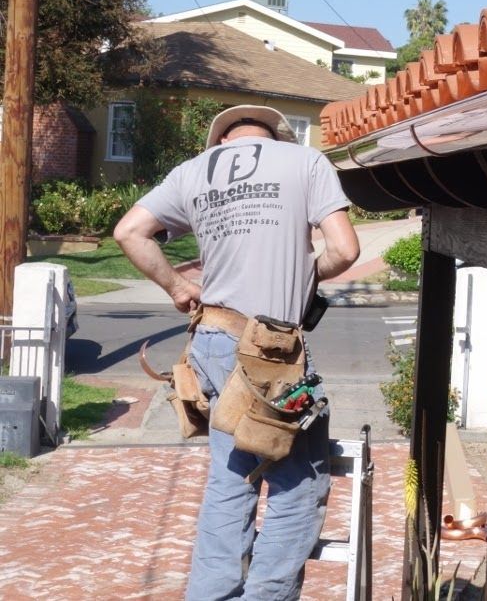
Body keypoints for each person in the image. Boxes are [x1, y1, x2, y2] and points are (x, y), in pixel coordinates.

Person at [115, 104, 360, 601]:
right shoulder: (305, 162)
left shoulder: (191, 173)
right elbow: (346, 250)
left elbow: (128, 232)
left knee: (233, 481)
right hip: (268, 351)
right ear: (273, 135)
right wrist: (308, 273)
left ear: (222, 139)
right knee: (300, 485)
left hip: (212, 339)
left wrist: (178, 287)